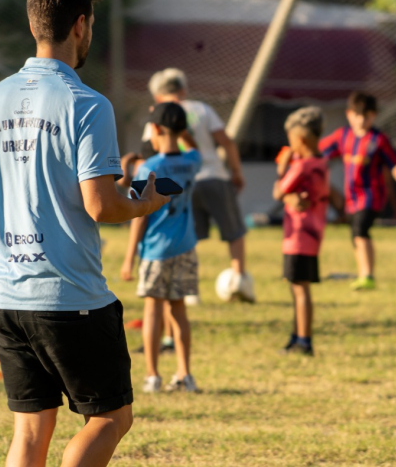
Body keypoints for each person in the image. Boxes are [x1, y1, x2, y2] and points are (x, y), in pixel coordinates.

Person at [0, 0, 169, 467]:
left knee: (31, 432)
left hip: (3, 297)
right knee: (111, 418)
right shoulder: (87, 104)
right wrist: (147, 201)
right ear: (81, 26)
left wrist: (26, 200)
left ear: (35, 26)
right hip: (68, 297)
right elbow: (102, 205)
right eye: (90, 24)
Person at [121, 102, 202, 393]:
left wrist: (129, 258)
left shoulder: (149, 167)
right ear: (183, 130)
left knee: (153, 311)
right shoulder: (192, 161)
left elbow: (138, 216)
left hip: (156, 250)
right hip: (185, 247)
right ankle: (185, 374)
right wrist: (183, 129)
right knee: (179, 311)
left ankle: (153, 376)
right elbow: (193, 147)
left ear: (154, 129)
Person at [146, 68, 249, 285]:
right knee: (234, 231)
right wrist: (236, 172)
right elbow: (227, 142)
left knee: (187, 233)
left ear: (157, 94)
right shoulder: (202, 109)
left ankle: (189, 286)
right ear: (183, 89)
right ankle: (239, 277)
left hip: (180, 182)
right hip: (214, 175)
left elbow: (149, 150)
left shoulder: (157, 114)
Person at [320, 92, 396, 290]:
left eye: (367, 116)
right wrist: (293, 152)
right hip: (351, 198)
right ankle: (362, 273)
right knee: (355, 233)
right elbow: (317, 152)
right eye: (357, 115)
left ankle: (368, 276)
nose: (361, 120)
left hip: (371, 197)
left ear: (374, 116)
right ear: (349, 114)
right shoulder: (343, 136)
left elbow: (395, 165)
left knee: (361, 230)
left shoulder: (378, 140)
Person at [274, 107, 329, 356]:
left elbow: (278, 191)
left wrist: (282, 168)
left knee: (300, 288)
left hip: (299, 237)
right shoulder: (320, 162)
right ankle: (297, 336)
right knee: (297, 286)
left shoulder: (302, 166)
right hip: (312, 235)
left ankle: (304, 341)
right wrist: (290, 198)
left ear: (300, 139)